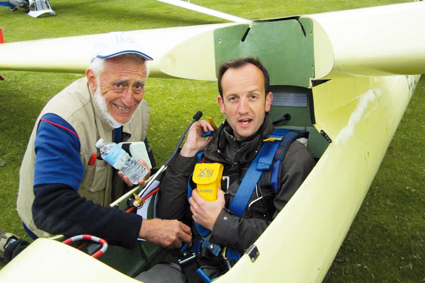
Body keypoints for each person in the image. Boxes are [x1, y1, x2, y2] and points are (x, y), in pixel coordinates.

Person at [1, 32, 191, 264]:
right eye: (119, 85)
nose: (129, 100)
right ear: (92, 79)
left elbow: (135, 150)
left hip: (101, 215)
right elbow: (51, 209)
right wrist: (144, 228)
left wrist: (139, 168)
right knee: (57, 268)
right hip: (56, 229)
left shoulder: (139, 109)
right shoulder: (62, 121)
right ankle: (13, 247)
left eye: (138, 85)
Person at [135, 57, 316, 282]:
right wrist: (187, 154)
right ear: (222, 104)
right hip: (192, 267)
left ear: (267, 101)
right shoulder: (207, 150)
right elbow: (168, 218)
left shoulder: (293, 159)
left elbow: (288, 240)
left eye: (253, 96)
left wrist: (219, 223)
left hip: (256, 272)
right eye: (233, 98)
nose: (243, 109)